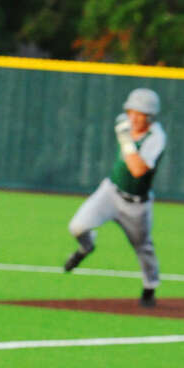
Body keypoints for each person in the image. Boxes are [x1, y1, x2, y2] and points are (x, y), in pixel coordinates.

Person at [63, 88, 165, 307]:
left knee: (143, 247)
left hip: (137, 205)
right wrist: (126, 135)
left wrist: (125, 139)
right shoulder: (125, 124)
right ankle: (86, 248)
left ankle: (149, 287)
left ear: (150, 116)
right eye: (132, 112)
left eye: (142, 113)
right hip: (110, 192)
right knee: (77, 227)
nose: (135, 117)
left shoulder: (156, 137)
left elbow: (137, 169)